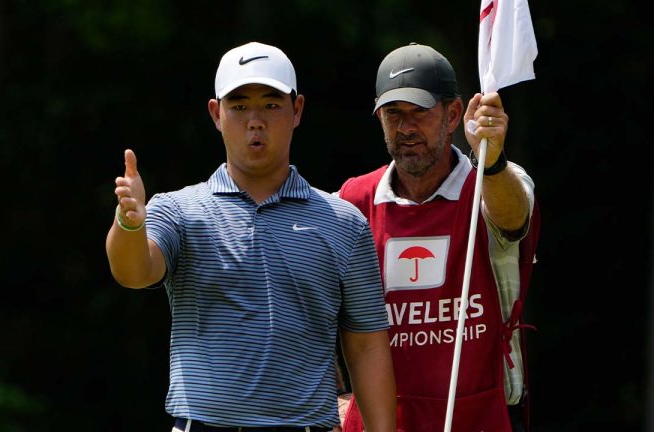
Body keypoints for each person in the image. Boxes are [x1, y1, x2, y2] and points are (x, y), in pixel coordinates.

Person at [105, 42, 396, 432]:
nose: (254, 120)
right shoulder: (179, 210)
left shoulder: (343, 222)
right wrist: (129, 225)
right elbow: (135, 271)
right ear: (216, 114)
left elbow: (367, 346)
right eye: (239, 106)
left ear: (297, 110)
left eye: (271, 105)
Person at [337, 43, 541, 432]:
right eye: (393, 114)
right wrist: (332, 394)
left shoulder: (493, 182)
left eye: (419, 113)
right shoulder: (352, 201)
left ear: (452, 115)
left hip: (477, 417)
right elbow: (306, 303)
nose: (405, 128)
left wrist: (492, 160)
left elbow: (515, 221)